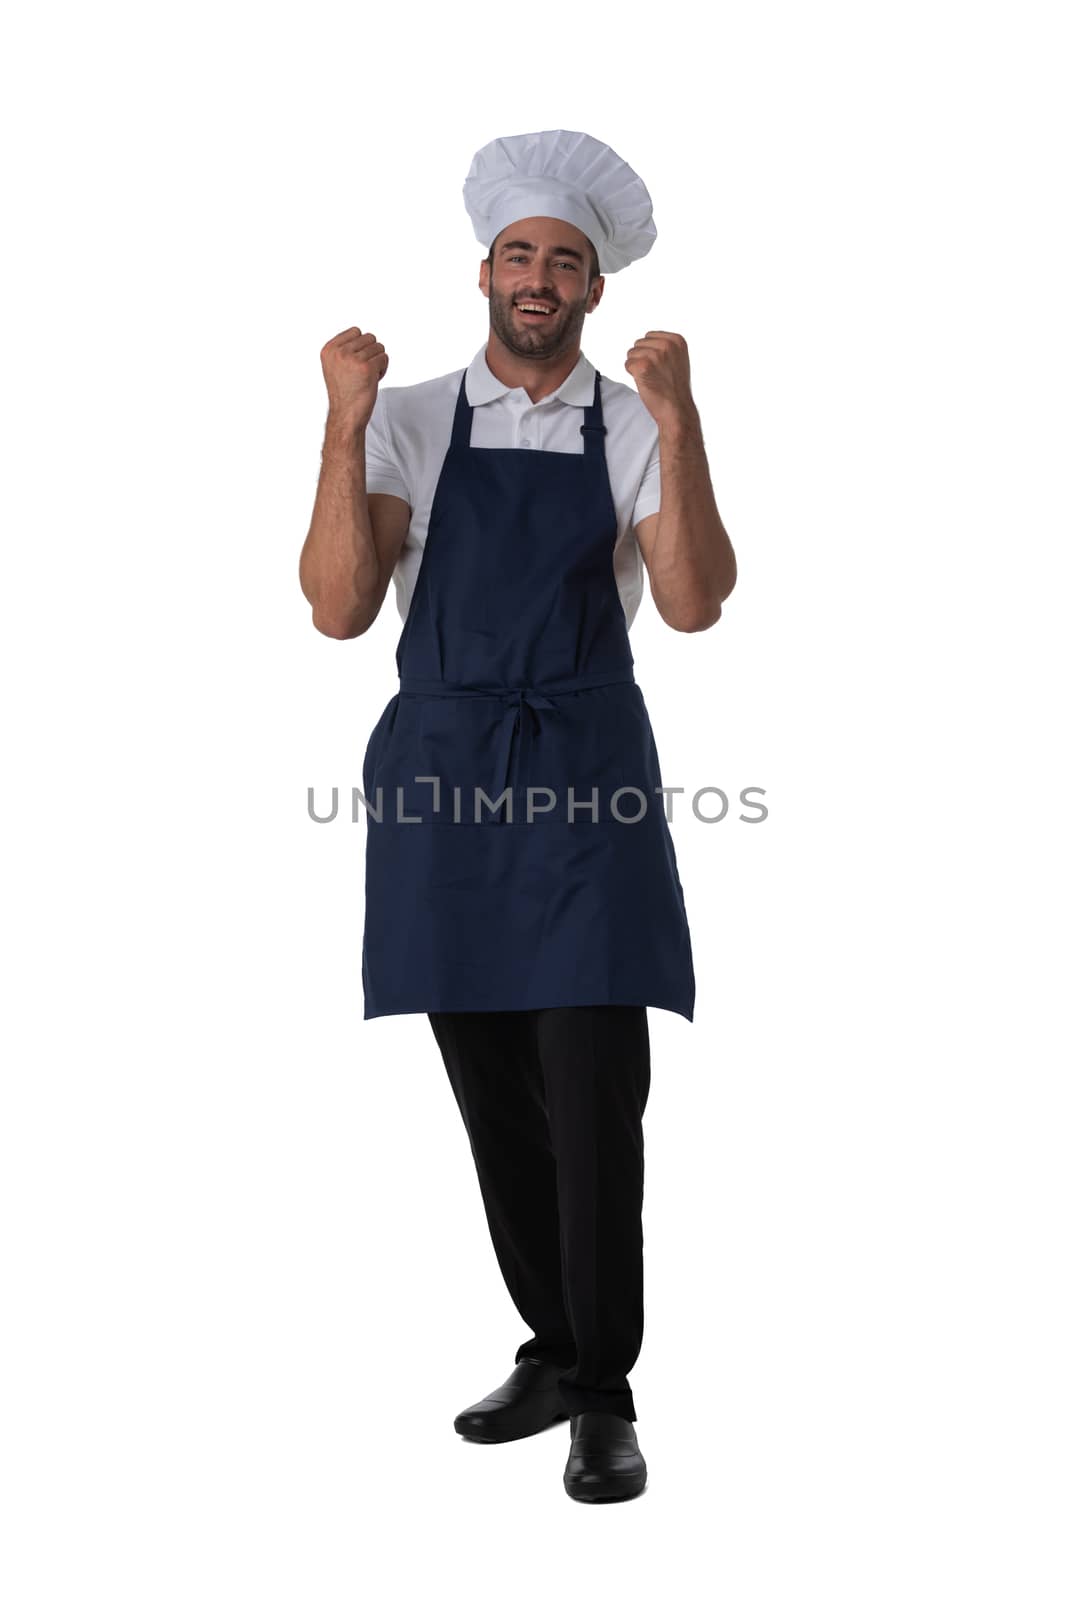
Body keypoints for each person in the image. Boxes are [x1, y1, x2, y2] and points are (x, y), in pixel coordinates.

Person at [299, 129, 737, 1503]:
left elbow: (691, 602)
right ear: (484, 270)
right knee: (493, 1087)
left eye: (567, 261)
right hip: (442, 781)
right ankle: (552, 1346)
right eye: (521, 255)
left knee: (591, 1086)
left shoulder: (629, 423)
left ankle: (606, 1389)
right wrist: (341, 418)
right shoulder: (414, 415)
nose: (540, 278)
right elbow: (338, 607)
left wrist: (680, 425)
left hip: (585, 777)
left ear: (593, 291)